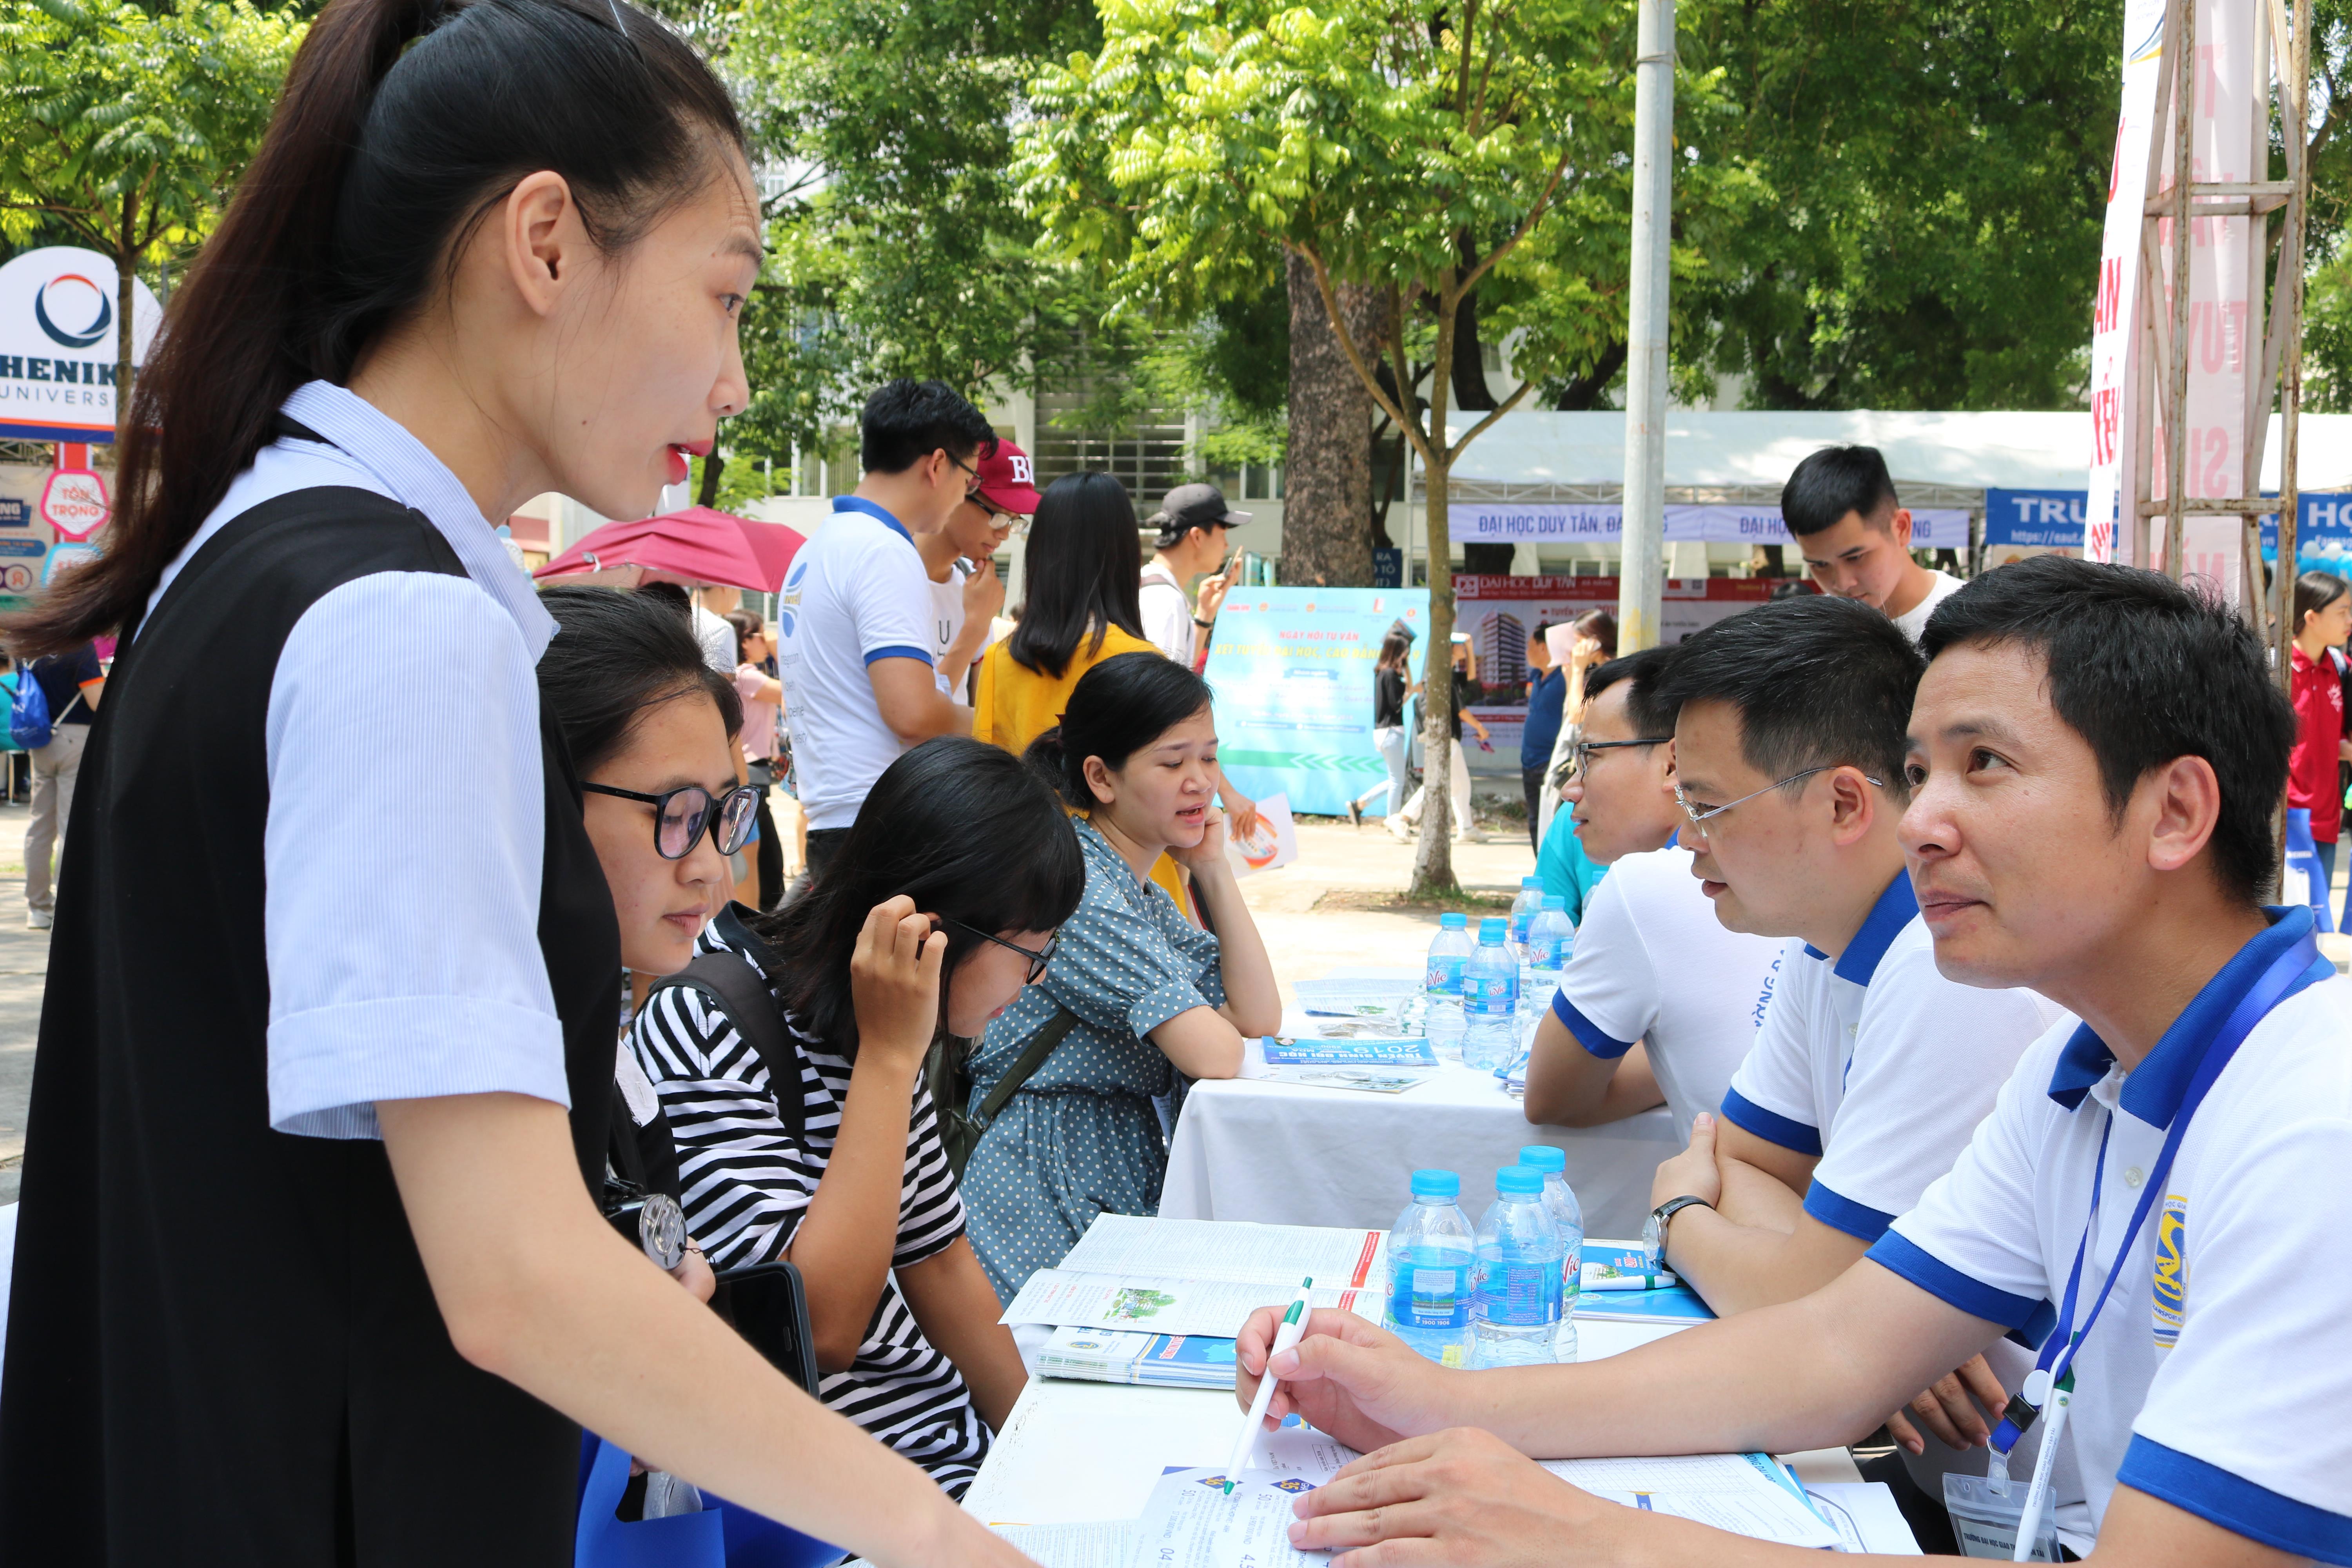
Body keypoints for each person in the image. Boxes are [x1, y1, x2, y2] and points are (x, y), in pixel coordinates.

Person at [0, 0, 1032, 1559]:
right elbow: (514, 1279)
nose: (736, 380)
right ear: (545, 243)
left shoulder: (263, 556)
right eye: (726, 294)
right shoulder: (401, 620)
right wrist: (947, 1536)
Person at [1238, 555, 2352, 1568]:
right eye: (1923, 768)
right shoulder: (2079, 1074)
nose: (1926, 822)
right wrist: (1432, 1401)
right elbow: (1831, 1348)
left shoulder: (2313, 1125)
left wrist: (1593, 1541)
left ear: (2177, 811)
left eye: (1986, 766)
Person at [1652, 594, 2064, 1480]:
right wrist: (1844, 1282)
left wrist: (1678, 1215)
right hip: (1936, 1469)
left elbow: (1800, 1303)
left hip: (2043, 1504)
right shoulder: (1826, 940)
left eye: (1707, 803)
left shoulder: (1941, 964)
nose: (1684, 839)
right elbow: (1749, 1163)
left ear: (1845, 802)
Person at [632, 737, 1082, 1495]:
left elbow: (940, 1262)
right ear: (928, 932)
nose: (1033, 980)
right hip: (827, 1500)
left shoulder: (881, 1021)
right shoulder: (709, 1023)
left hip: (940, 1457)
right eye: (1026, 952)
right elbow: (821, 1330)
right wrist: (886, 1060)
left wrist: (1044, 1464)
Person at [962, 653, 1280, 1301]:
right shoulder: (1083, 886)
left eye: (1210, 759)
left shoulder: (1128, 880)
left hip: (1094, 1160)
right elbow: (1217, 1052)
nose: (1200, 782)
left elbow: (1255, 1016)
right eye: (1172, 762)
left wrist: (1212, 869)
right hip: (1043, 1175)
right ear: (1102, 778)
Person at [535, 584, 745, 1293]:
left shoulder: (604, 1040)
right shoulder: (480, 1070)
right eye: (680, 812)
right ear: (544, 796)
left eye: (721, 812)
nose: (713, 868)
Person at [1521, 646, 1784, 1137]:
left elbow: (1550, 1097)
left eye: (1589, 757)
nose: (1570, 788)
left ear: (1673, 762)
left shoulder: (1645, 888)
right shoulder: (1795, 865)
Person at [975, 472, 1256, 907]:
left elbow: (989, 789)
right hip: (1136, 891)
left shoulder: (1001, 658)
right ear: (1124, 553)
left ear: (1041, 552)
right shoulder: (1141, 661)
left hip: (1035, 889)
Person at [779, 379, 991, 886]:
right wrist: (1002, 726)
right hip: (885, 827)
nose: (966, 494)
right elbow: (913, 715)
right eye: (970, 481)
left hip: (838, 822)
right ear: (937, 465)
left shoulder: (817, 547)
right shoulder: (883, 550)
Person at [1783, 444, 1961, 642]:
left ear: (1901, 528)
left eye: (1855, 557)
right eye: (1820, 565)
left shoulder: (1972, 620)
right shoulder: (1814, 632)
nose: (1842, 583)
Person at [916, 439, 1037, 707]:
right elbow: (916, 714)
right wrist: (975, 626)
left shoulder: (971, 586)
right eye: (998, 515)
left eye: (1014, 521)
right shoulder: (890, 575)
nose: (1005, 533)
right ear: (959, 490)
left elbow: (979, 706)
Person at [20, 638, 103, 930]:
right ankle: (70, 909)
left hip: (40, 739)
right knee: (71, 826)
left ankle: (38, 907)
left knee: (39, 827)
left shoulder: (32, 647)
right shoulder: (79, 647)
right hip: (74, 739)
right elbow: (96, 701)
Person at [1386, 633, 1491, 844]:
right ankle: (1402, 817)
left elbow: (1471, 679)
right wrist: (1480, 727)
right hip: (1445, 737)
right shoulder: (1443, 676)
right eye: (1461, 645)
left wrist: (1470, 647)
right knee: (1438, 782)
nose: (1464, 648)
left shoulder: (1448, 673)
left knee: (1460, 785)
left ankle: (1467, 828)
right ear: (1450, 648)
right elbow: (1461, 711)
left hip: (1446, 737)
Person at [1138, 481, 1248, 671]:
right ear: (1197, 536)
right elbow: (1161, 693)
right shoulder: (1165, 600)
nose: (1226, 545)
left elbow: (1180, 671)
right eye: (1222, 534)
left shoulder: (1151, 585)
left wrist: (1205, 615)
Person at [2287, 570, 2352, 888]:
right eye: (2342, 612)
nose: (2349, 619)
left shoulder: (2342, 668)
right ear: (2311, 617)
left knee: (2315, 929)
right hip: (2283, 821)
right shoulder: (2276, 668)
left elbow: (2338, 738)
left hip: (2326, 819)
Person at [1539, 608, 1618, 841]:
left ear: (1595, 641)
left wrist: (1576, 670)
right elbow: (1570, 707)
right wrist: (1571, 673)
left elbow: (1577, 715)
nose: (1575, 648)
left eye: (1580, 641)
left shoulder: (1609, 672)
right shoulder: (1591, 671)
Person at [728, 607, 786, 910]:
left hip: (753, 771)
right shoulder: (747, 676)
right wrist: (778, 648)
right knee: (767, 860)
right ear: (745, 641)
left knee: (765, 856)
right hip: (753, 772)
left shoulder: (742, 676)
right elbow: (792, 690)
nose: (766, 641)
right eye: (760, 635)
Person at [1346, 623, 1417, 829]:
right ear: (1397, 651)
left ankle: (1360, 804)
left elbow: (1408, 686)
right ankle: (1394, 820)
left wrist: (1406, 666)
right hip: (1392, 732)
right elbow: (1397, 705)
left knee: (1396, 779)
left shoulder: (1384, 673)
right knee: (1397, 781)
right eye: (1405, 650)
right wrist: (1412, 692)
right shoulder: (1389, 676)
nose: (1407, 653)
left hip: (1385, 733)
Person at [1519, 621, 1565, 853]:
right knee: (1535, 819)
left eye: (1530, 646)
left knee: (1553, 822)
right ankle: (1540, 867)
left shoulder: (1565, 677)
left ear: (1544, 648)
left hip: (1552, 762)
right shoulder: (1536, 675)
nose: (1526, 652)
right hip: (1530, 761)